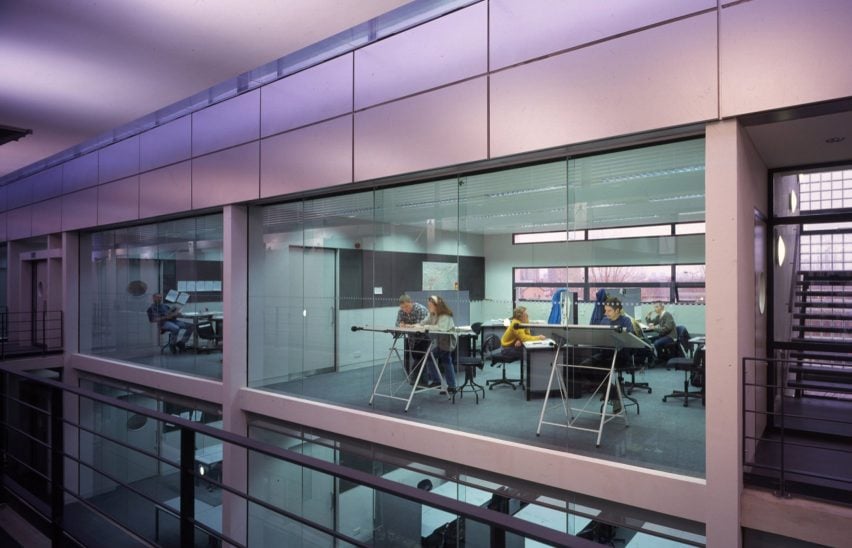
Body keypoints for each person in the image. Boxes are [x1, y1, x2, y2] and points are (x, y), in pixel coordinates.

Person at [420, 295, 457, 395]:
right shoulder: (432, 313)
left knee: (444, 359)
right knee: (436, 358)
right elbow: (424, 322)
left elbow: (441, 328)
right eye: (429, 305)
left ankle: (445, 384)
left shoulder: (445, 315)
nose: (429, 307)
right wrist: (415, 325)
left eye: (431, 305)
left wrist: (427, 326)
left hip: (448, 342)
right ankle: (448, 384)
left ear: (437, 305)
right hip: (441, 341)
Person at [396, 294, 430, 381]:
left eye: (407, 306)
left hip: (423, 339)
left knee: (420, 360)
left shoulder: (420, 309)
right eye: (402, 307)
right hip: (412, 340)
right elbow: (397, 324)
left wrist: (405, 325)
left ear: (411, 302)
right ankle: (421, 382)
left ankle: (416, 380)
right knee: (417, 359)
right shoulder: (401, 311)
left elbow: (420, 327)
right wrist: (400, 325)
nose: (405, 310)